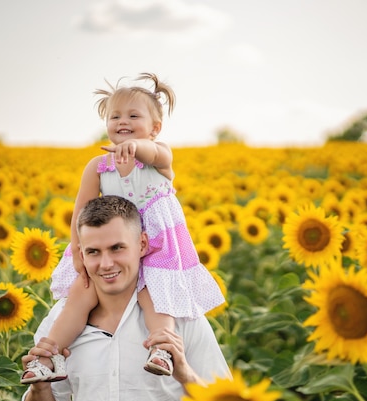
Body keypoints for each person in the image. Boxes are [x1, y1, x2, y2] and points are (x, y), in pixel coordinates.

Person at [20, 73, 225, 384]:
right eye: (114, 116)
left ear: (155, 128)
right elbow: (81, 212)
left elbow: (156, 152)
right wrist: (77, 252)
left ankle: (161, 350)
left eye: (133, 115)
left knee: (156, 296)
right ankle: (49, 356)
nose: (122, 121)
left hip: (159, 246)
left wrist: (136, 146)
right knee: (80, 295)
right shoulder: (98, 166)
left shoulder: (159, 157)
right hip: (116, 244)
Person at [21, 195, 231, 401]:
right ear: (81, 254)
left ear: (142, 244)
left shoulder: (180, 317)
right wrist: (40, 387)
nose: (106, 264)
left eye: (117, 248)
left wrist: (185, 374)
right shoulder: (58, 324)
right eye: (94, 252)